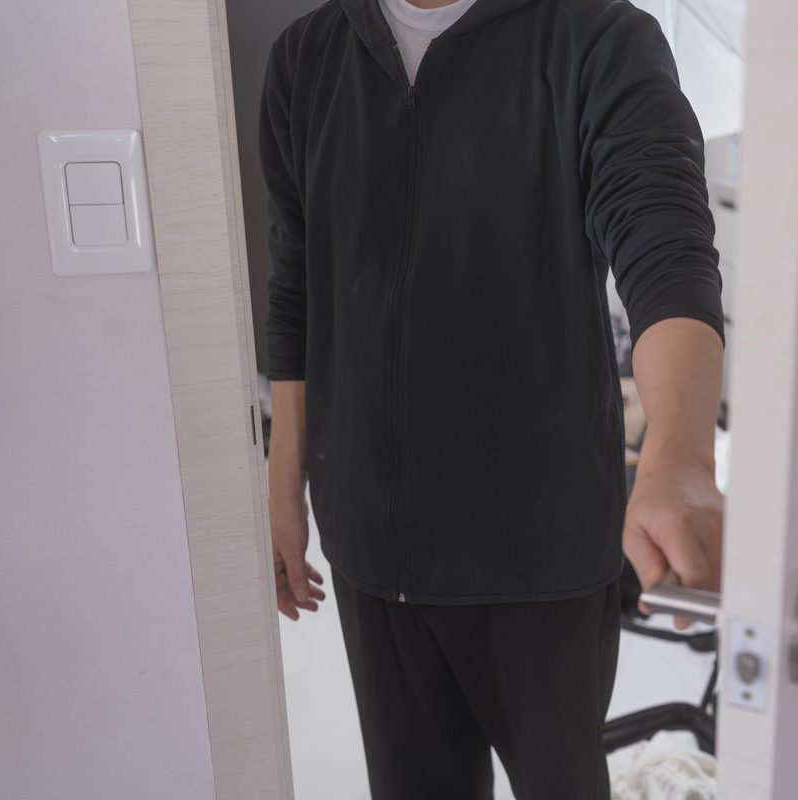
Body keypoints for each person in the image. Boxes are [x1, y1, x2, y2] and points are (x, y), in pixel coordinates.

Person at [260, 0, 724, 796]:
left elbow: (665, 245)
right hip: (372, 543)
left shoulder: (598, 37)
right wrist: (283, 487)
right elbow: (296, 283)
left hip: (539, 548)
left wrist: (679, 455)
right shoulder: (306, 59)